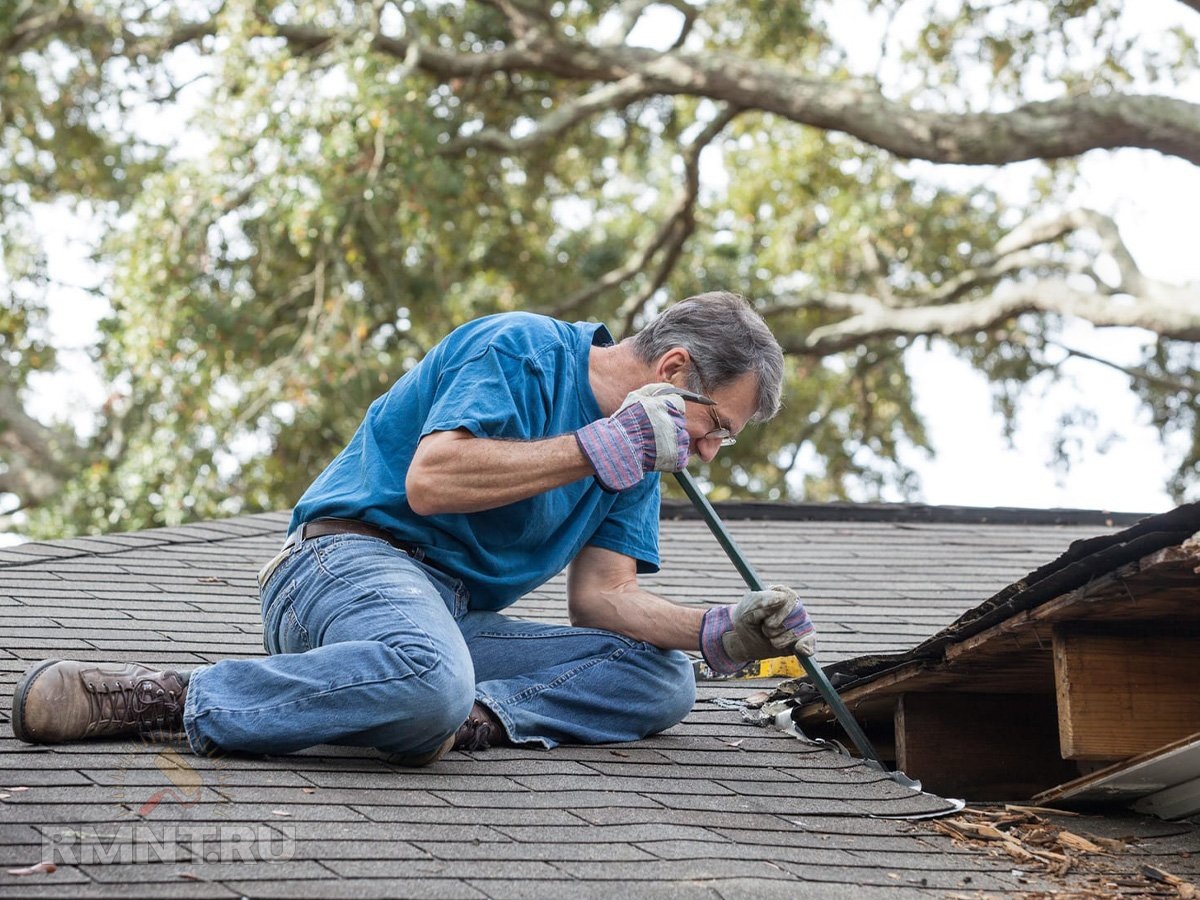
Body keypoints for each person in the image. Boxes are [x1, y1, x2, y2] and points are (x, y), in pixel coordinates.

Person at [12, 291, 816, 764]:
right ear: (674, 369)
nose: (706, 452)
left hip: (448, 621)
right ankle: (168, 697)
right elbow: (431, 483)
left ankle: (448, 714)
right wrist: (592, 448)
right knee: (430, 673)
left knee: (662, 677)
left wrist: (722, 632)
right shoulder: (523, 348)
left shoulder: (640, 457)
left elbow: (604, 601)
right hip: (343, 567)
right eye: (717, 426)